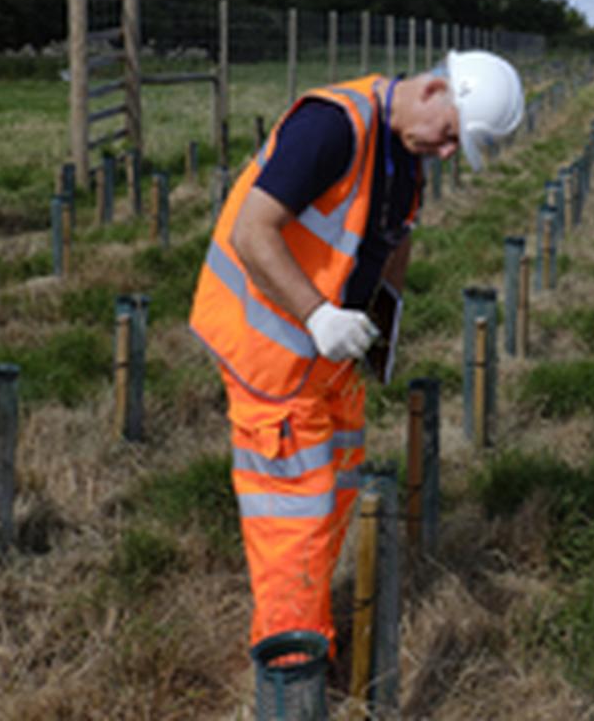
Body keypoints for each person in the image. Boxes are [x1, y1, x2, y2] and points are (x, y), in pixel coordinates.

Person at [188, 48, 524, 667]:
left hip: (324, 355)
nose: (447, 153)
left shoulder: (403, 152)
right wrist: (319, 316)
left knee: (338, 487)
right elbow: (251, 231)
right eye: (450, 136)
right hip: (270, 349)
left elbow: (395, 237)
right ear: (431, 91)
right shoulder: (332, 126)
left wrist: (381, 328)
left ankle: (314, 620)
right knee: (293, 510)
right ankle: (292, 670)